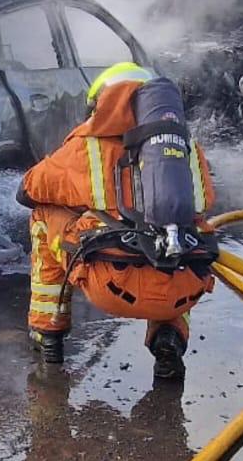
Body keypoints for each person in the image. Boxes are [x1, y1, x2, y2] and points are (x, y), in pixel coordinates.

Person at [18, 62, 218, 380]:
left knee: (43, 216)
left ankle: (48, 334)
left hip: (112, 284)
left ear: (102, 102)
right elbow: (205, 201)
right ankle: (171, 336)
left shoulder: (85, 147)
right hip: (180, 291)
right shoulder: (184, 149)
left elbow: (28, 189)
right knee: (186, 230)